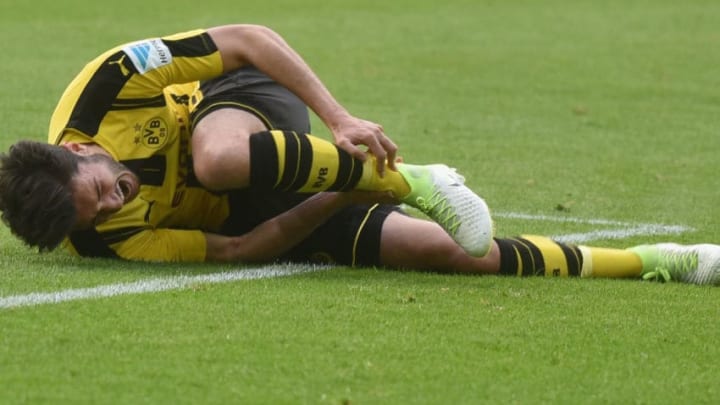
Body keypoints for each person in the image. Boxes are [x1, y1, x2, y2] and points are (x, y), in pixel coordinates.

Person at [0, 24, 718, 285]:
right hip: (274, 195)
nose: (115, 204)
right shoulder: (110, 242)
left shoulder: (109, 83)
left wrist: (338, 119)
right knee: (445, 251)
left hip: (243, 105)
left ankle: (416, 177)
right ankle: (663, 259)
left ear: (83, 148)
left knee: (217, 156)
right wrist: (342, 195)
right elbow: (239, 248)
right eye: (95, 217)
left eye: (105, 189)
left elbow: (249, 37)